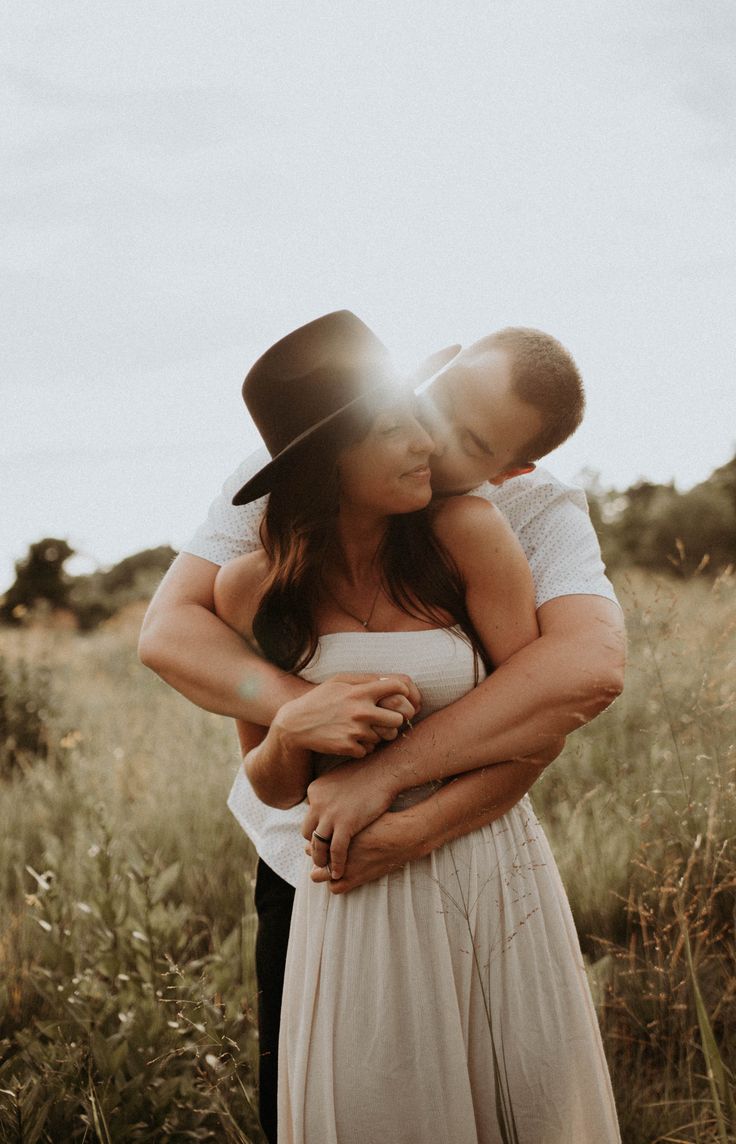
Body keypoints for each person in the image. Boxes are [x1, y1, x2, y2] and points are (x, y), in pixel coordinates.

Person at [139, 312, 625, 1142]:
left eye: (464, 439)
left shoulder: (505, 520)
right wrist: (297, 712)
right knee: (339, 1101)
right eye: (423, 406)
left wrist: (401, 794)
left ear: (513, 468)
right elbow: (171, 637)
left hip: (473, 855)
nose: (428, 441)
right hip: (313, 869)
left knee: (504, 1095)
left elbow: (571, 685)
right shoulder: (288, 463)